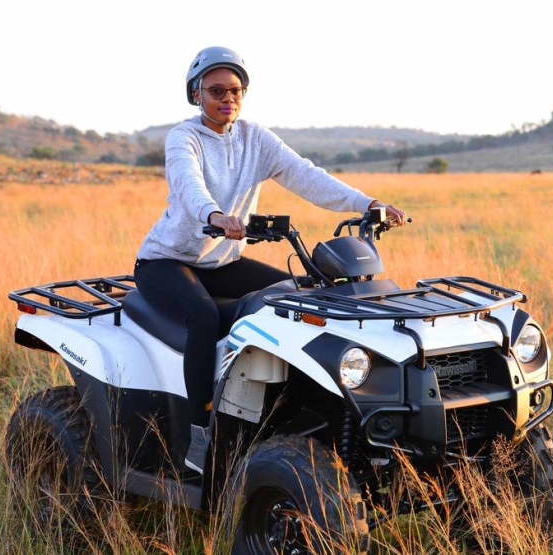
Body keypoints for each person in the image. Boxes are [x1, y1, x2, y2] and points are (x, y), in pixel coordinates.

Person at [134, 46, 407, 474]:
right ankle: (201, 431)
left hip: (224, 263)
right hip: (168, 263)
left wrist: (368, 202)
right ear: (195, 94)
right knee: (203, 317)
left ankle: (284, 413)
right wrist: (216, 216)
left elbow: (306, 175)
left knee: (298, 298)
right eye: (216, 90)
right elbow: (187, 184)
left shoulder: (254, 139)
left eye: (236, 90)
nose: (228, 98)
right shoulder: (183, 138)